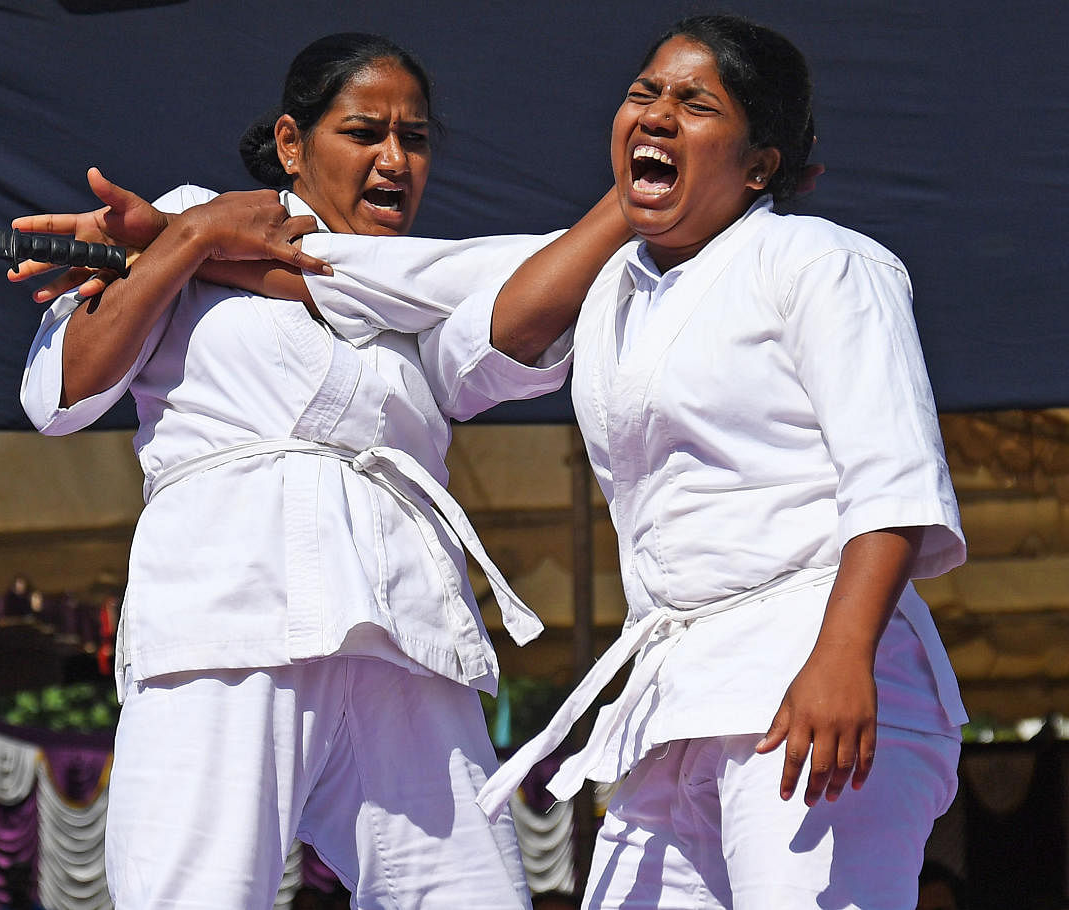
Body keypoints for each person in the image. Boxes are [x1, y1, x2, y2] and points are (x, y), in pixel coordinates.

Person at [197, 14, 964, 909]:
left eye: (695, 103)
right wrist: (166, 250)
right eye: (644, 94)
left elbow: (894, 482)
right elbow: (384, 283)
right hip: (675, 701)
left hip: (812, 675)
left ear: (760, 164)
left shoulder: (822, 261)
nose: (657, 114)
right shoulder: (612, 287)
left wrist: (843, 657)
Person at [15, 32, 622, 909]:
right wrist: (187, 243)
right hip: (227, 618)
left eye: (413, 139)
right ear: (293, 143)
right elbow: (60, 395)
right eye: (365, 131)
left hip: (404, 637)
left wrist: (630, 214)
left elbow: (518, 306)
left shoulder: (426, 295)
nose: (394, 158)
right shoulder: (189, 214)